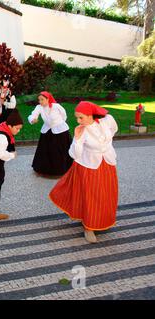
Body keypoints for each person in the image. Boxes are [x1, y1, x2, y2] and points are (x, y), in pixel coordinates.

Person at [49, 101, 119, 244]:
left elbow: (114, 129)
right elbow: (74, 154)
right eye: (77, 118)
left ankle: (103, 219)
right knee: (91, 197)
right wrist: (78, 138)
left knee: (108, 194)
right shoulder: (81, 130)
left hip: (108, 163)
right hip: (88, 166)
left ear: (90, 115)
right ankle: (89, 227)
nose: (78, 121)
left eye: (81, 117)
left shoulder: (108, 120)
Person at [28, 91, 73, 176]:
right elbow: (33, 115)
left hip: (60, 130)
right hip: (47, 129)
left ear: (48, 99)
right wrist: (33, 119)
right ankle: (45, 169)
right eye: (39, 100)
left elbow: (64, 115)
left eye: (42, 99)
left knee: (60, 150)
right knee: (46, 150)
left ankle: (64, 167)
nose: (40, 101)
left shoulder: (56, 106)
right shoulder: (39, 107)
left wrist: (59, 123)